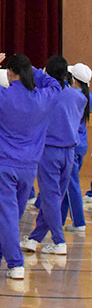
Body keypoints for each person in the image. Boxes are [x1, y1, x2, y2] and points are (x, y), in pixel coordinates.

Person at [0, 53, 59, 280]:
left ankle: (15, 263)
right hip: (28, 167)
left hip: (2, 164)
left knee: (6, 215)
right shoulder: (42, 98)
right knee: (9, 215)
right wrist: (33, 70)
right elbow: (56, 85)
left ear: (9, 73)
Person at [19, 56, 86, 257]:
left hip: (49, 151)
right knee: (53, 198)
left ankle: (58, 240)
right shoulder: (80, 98)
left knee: (50, 199)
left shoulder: (45, 95)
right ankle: (35, 238)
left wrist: (37, 71)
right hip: (69, 153)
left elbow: (35, 78)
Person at [62, 63, 91, 233]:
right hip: (82, 145)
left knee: (72, 185)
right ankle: (60, 219)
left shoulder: (72, 96)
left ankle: (79, 222)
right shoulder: (87, 96)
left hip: (72, 146)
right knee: (67, 184)